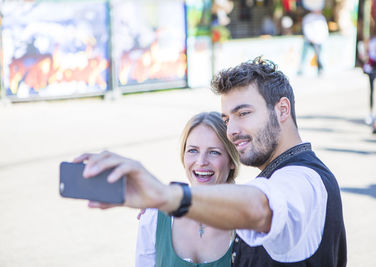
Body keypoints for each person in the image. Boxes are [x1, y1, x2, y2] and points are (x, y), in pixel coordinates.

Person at [75, 57, 347, 266]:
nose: (232, 131)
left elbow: (260, 208)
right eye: (228, 119)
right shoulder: (275, 177)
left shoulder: (304, 180)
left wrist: (164, 195)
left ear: (282, 109)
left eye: (244, 113)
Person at [135, 112, 240, 266]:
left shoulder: (249, 220)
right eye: (192, 150)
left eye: (214, 152)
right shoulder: (154, 216)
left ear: (232, 160)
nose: (201, 161)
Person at [297, 10, 329, 76]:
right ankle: (301, 69)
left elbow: (324, 28)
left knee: (318, 55)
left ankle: (320, 69)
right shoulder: (308, 18)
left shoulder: (321, 17)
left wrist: (324, 38)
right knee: (305, 55)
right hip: (311, 40)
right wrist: (310, 37)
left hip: (319, 40)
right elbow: (306, 28)